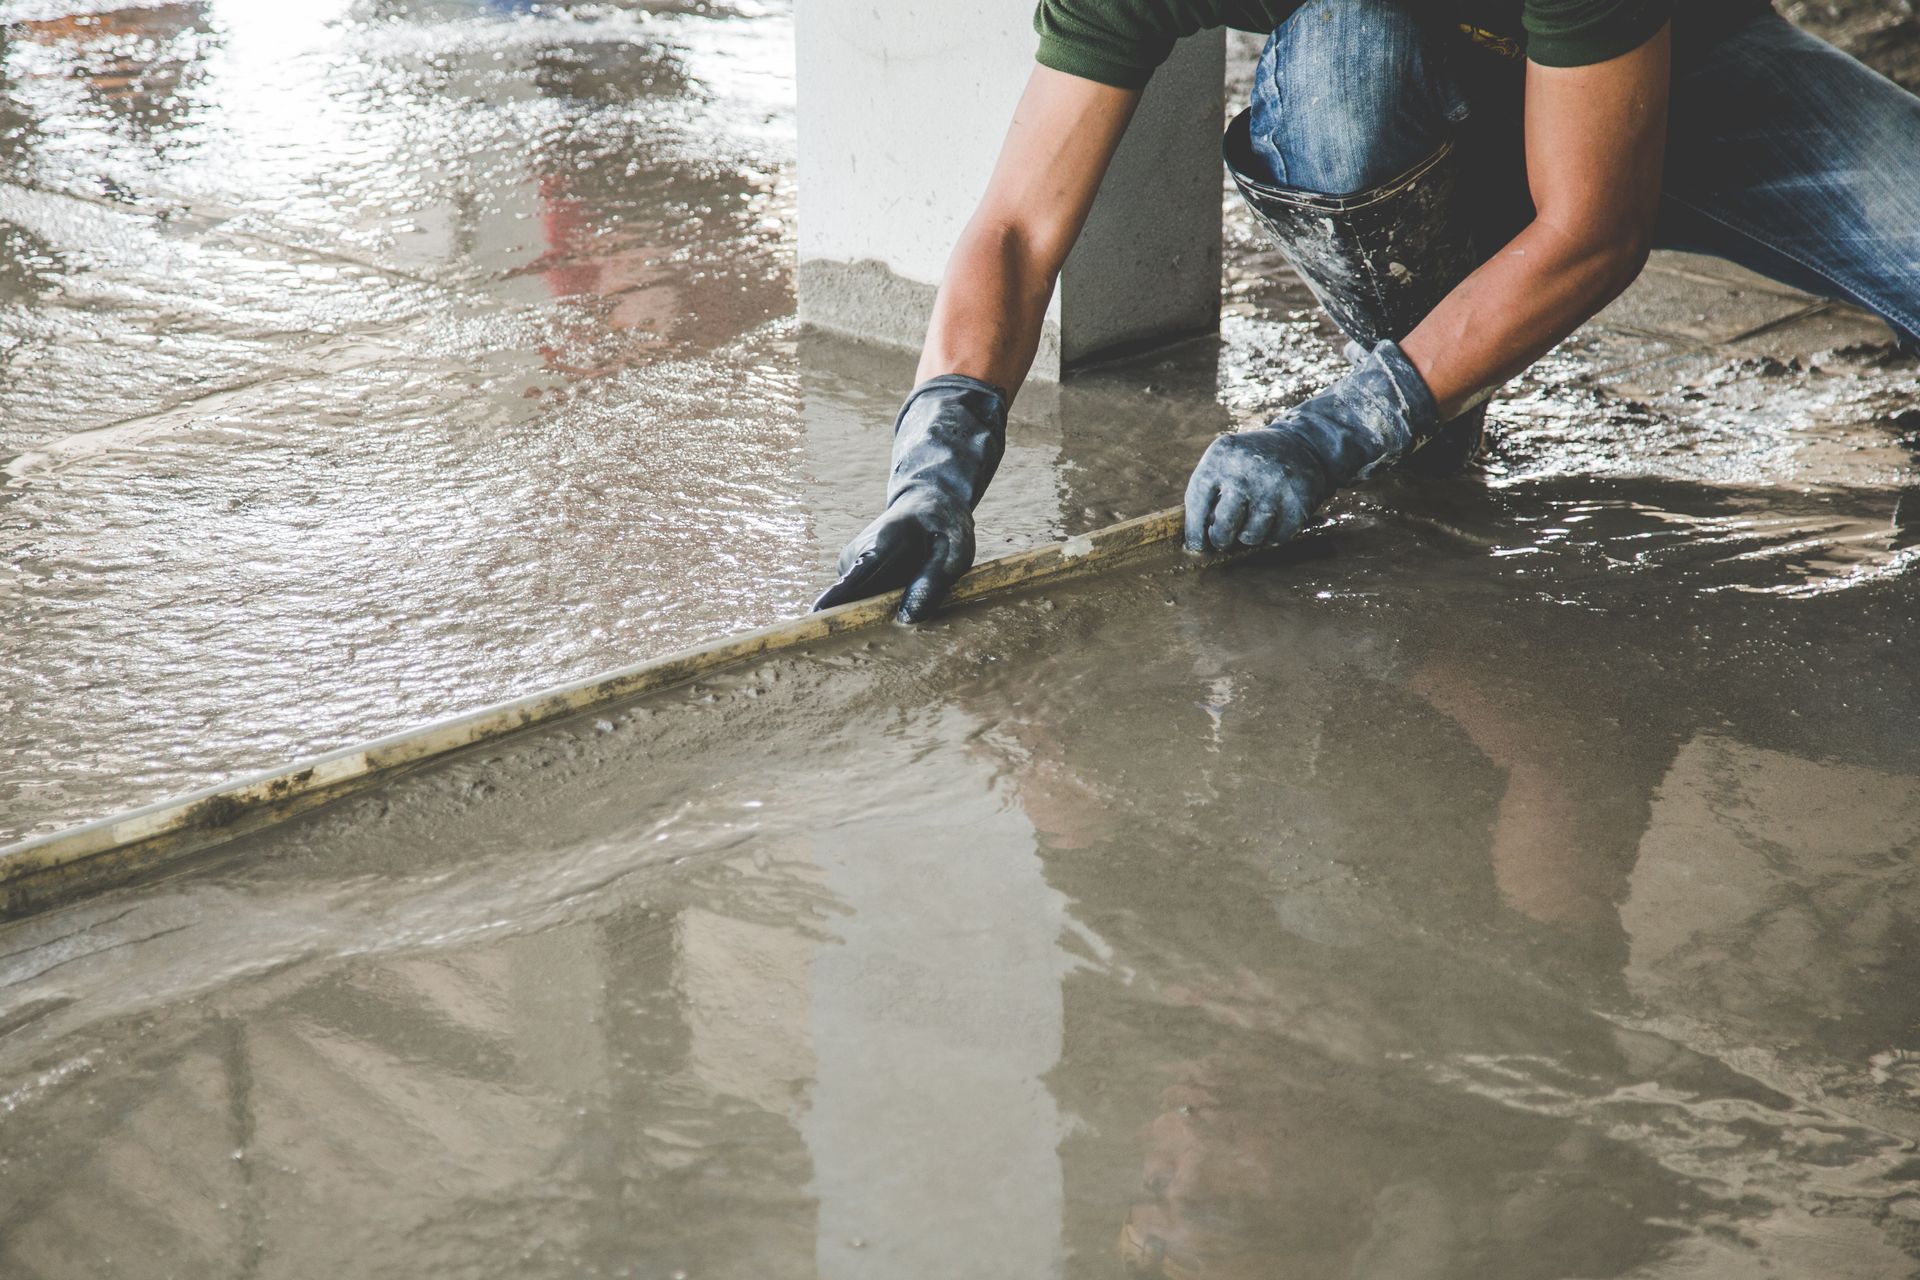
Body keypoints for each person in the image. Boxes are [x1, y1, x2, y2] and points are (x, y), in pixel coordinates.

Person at [811, 0, 1920, 622]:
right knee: (1347, 66)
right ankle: (1443, 386)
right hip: (1404, 103)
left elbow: (1594, 229)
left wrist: (1335, 426)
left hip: (1661, 82)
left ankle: (1415, 389)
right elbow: (1014, 226)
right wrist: (935, 460)